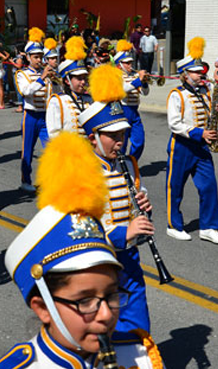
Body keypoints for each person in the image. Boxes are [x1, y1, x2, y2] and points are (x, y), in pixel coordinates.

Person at [0, 131, 187, 369]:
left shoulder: (145, 362)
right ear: (42, 308)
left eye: (112, 293)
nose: (107, 315)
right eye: (85, 301)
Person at [79, 64, 155, 336]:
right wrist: (124, 233)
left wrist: (143, 210)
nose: (120, 141)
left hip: (129, 259)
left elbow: (137, 196)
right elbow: (82, 232)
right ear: (93, 138)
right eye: (112, 136)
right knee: (99, 336)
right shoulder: (81, 174)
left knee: (139, 330)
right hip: (95, 265)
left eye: (122, 134)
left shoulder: (128, 163)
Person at [165, 37, 218, 244]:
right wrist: (199, 134)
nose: (201, 75)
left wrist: (214, 111)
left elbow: (206, 115)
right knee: (176, 187)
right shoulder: (177, 95)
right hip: (182, 146)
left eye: (201, 71)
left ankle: (209, 227)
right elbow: (174, 124)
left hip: (201, 147)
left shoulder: (206, 92)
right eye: (195, 72)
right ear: (184, 75)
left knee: (208, 186)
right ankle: (174, 225)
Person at [15, 27, 53, 192]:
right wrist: (42, 78)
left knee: (50, 149)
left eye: (40, 57)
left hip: (46, 116)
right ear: (28, 57)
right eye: (35, 57)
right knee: (28, 150)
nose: (39, 60)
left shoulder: (47, 74)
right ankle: (26, 180)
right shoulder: (21, 74)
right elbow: (26, 92)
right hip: (30, 115)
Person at [46, 36, 91, 138]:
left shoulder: (89, 100)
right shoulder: (57, 101)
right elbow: (54, 134)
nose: (83, 82)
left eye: (84, 78)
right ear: (67, 81)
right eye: (79, 78)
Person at [114, 39, 149, 160]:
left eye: (131, 63)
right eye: (127, 63)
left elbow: (145, 93)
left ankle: (132, 162)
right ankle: (121, 165)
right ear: (120, 64)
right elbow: (124, 89)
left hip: (135, 111)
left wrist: (144, 83)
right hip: (122, 111)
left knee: (139, 141)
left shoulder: (134, 76)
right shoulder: (116, 76)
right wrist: (139, 80)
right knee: (122, 144)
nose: (130, 65)